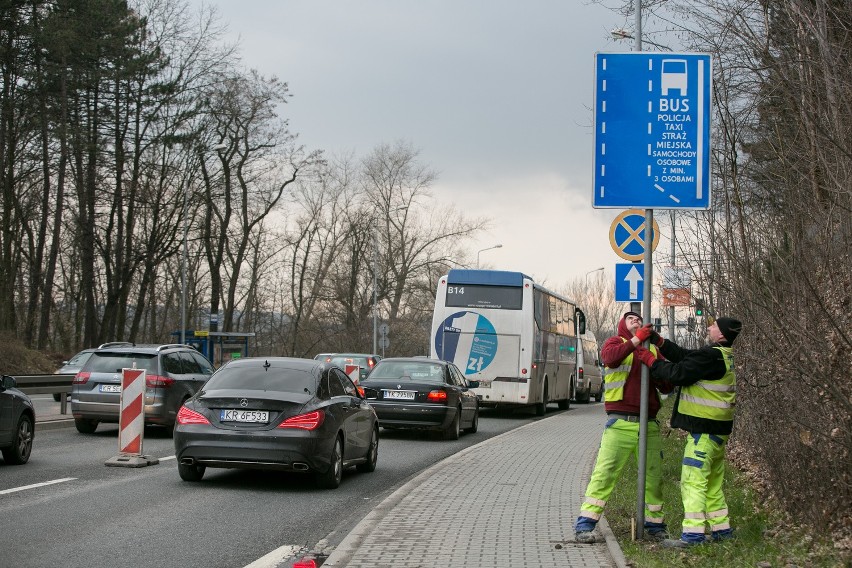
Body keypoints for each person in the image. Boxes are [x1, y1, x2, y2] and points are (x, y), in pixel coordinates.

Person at [632, 316, 743, 548]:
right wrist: (661, 343)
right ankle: (722, 531)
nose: (709, 327)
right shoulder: (721, 355)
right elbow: (687, 358)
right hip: (718, 432)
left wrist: (651, 361)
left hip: (704, 431)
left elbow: (678, 373)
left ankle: (693, 536)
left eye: (713, 325)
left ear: (721, 334)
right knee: (712, 483)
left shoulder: (712, 356)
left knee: (692, 481)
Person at [574, 311, 674, 543]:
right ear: (622, 325)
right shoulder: (615, 343)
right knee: (604, 474)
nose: (636, 321)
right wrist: (636, 340)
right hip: (620, 423)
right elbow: (610, 358)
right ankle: (585, 526)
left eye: (638, 319)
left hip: (648, 425)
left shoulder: (652, 350)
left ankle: (655, 527)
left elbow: (668, 386)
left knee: (653, 478)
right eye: (630, 319)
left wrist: (656, 364)